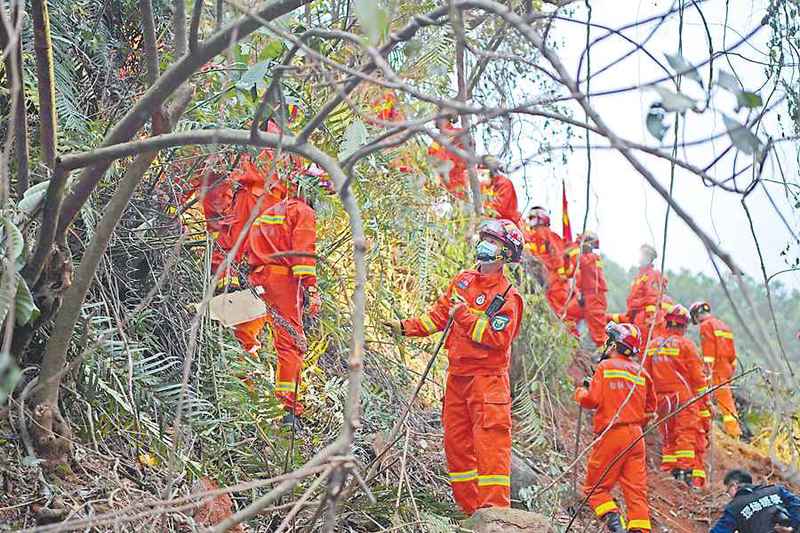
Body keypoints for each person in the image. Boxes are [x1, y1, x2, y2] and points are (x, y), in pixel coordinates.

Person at [383, 219, 525, 515]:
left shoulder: (508, 297)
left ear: (506, 253)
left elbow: (497, 338)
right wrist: (404, 327)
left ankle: (496, 517)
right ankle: (469, 513)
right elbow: (437, 317)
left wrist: (463, 316)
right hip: (457, 379)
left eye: (493, 241)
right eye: (484, 238)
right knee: (456, 447)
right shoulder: (463, 281)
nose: (485, 244)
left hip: (487, 383)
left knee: (490, 450)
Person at [232, 174, 321, 424]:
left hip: (258, 278)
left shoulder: (269, 212)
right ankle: (288, 409)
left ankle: (241, 390)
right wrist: (311, 289)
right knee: (290, 344)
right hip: (283, 283)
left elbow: (247, 246)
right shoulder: (303, 212)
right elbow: (303, 255)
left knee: (245, 333)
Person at [575, 321, 656, 533]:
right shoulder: (641, 372)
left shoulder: (606, 367)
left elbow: (591, 400)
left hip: (613, 434)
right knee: (636, 492)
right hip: (637, 438)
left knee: (594, 488)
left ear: (614, 344)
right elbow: (651, 408)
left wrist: (580, 393)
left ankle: (615, 524)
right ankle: (639, 529)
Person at [643, 304, 706, 484]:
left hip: (661, 401)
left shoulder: (653, 345)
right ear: (684, 325)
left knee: (668, 436)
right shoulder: (686, 345)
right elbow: (698, 378)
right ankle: (685, 473)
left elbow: (646, 376)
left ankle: (669, 471)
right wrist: (706, 402)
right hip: (683, 399)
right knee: (686, 434)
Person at [690, 301, 743, 438]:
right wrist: (730, 371)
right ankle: (730, 430)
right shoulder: (724, 326)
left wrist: (707, 372)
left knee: (721, 402)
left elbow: (709, 353)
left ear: (696, 315)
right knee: (725, 399)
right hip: (726, 367)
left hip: (716, 369)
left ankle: (733, 432)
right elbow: (732, 354)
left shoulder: (706, 326)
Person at [711, 469, 800, 533]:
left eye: (728, 491)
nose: (729, 495)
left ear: (734, 486)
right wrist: (792, 527)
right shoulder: (776, 490)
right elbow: (797, 504)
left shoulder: (734, 508)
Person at [565, 232, 608, 347]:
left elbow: (581, 261)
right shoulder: (585, 259)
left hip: (595, 298)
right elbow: (569, 273)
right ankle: (574, 343)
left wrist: (572, 251)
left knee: (599, 335)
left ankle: (605, 355)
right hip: (585, 296)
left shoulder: (593, 258)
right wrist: (566, 257)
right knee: (568, 314)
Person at [523, 206, 568, 315]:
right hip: (539, 274)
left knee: (554, 307)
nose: (530, 221)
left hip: (552, 276)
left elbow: (557, 254)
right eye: (530, 218)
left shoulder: (547, 234)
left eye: (533, 218)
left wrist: (559, 273)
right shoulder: (530, 234)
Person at [625, 244, 667, 339]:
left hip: (645, 317)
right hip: (636, 315)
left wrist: (650, 317)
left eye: (643, 255)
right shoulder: (639, 276)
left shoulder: (652, 274)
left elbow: (652, 298)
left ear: (649, 258)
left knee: (643, 343)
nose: (640, 258)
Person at [428, 115, 468, 199]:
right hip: (442, 183)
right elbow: (432, 156)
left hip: (457, 179)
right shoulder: (437, 140)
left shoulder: (458, 133)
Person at [478, 157, 520, 225]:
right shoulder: (483, 186)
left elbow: (499, 208)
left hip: (505, 224)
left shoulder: (504, 184)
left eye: (483, 174)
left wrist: (482, 209)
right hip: (488, 222)